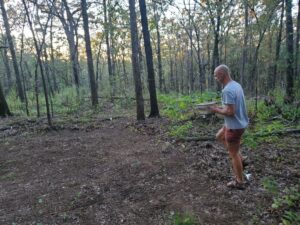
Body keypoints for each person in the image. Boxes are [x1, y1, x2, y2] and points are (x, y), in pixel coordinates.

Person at [209, 64, 249, 189]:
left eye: (216, 76)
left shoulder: (227, 90)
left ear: (222, 74)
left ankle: (240, 182)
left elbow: (230, 112)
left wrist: (215, 110)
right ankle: (242, 159)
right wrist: (219, 108)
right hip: (237, 123)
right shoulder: (236, 85)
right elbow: (230, 108)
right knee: (219, 136)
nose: (216, 78)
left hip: (234, 127)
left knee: (233, 154)